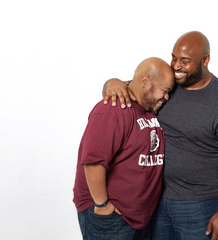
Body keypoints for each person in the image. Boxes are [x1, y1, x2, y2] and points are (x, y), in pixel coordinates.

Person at [102, 31, 218, 240]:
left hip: (198, 205)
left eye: (185, 61)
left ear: (205, 60)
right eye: (174, 58)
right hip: (154, 197)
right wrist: (112, 83)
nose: (176, 66)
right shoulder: (166, 83)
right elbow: (127, 87)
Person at [73, 57, 174, 240]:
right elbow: (94, 161)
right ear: (145, 82)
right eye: (165, 91)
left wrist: (114, 82)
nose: (166, 97)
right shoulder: (114, 108)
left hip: (139, 217)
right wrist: (103, 205)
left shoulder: (147, 107)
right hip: (112, 218)